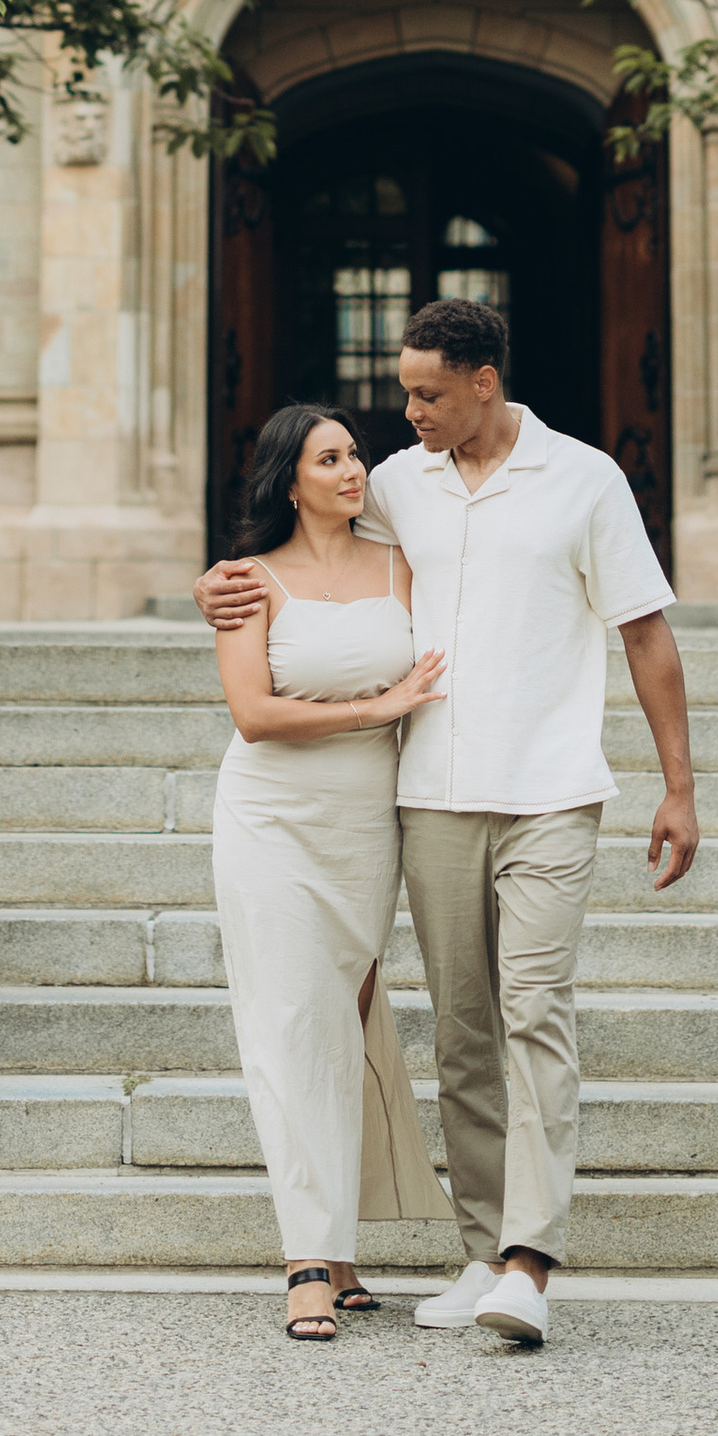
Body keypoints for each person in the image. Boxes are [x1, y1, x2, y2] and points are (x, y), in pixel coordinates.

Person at [198, 299, 700, 1350]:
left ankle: (529, 1259)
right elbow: (311, 549)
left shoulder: (584, 479)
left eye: (427, 393)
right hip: (427, 795)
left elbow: (646, 635)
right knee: (464, 1037)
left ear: (485, 381)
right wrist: (223, 582)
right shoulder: (393, 488)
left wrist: (678, 786)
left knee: (534, 1014)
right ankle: (480, 1246)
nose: (408, 411)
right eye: (402, 392)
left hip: (551, 791)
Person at [210, 400, 454, 1340]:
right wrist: (379, 705)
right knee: (288, 1021)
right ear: (289, 478)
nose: (353, 470)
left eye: (355, 454)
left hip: (366, 823)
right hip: (271, 815)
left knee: (346, 1021)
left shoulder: (401, 561)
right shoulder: (249, 581)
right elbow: (255, 715)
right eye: (330, 459)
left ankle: (342, 1246)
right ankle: (305, 1261)